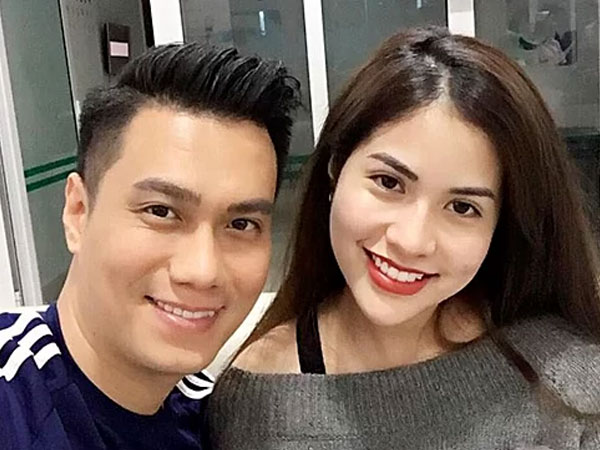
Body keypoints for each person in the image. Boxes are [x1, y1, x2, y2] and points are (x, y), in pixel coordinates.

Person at [204, 26, 600, 449]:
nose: (412, 241)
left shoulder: (567, 377)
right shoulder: (257, 407)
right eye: (389, 182)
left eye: (462, 207)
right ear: (336, 168)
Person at [0, 43, 299, 449]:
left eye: (241, 224)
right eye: (161, 211)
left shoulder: (220, 422)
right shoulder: (14, 401)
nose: (202, 271)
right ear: (78, 211)